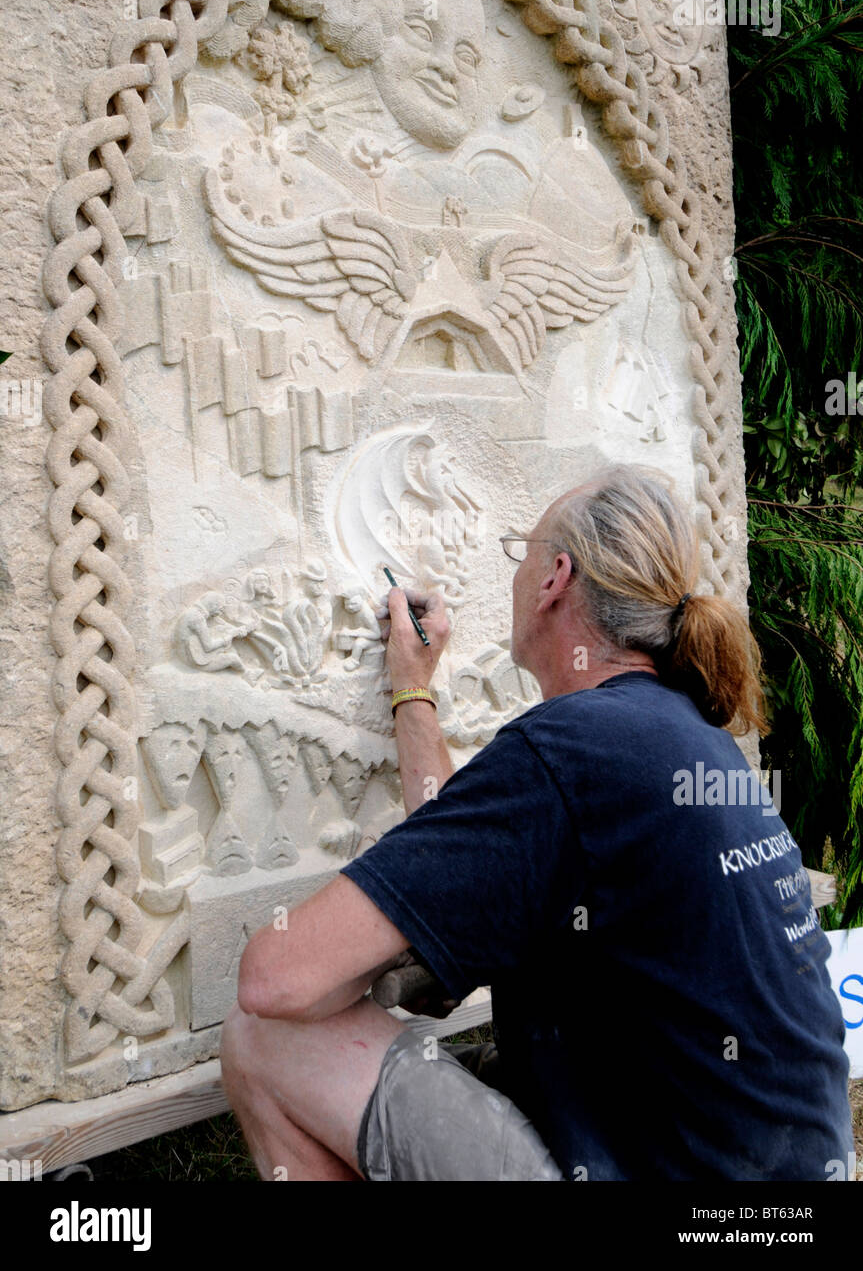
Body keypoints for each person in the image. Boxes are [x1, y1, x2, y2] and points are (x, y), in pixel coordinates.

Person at [220, 463, 854, 1181]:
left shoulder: (570, 749)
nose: (514, 575)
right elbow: (456, 863)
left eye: (518, 552)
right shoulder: (679, 735)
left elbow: (276, 979)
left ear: (554, 577)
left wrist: (350, 969)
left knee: (265, 1033)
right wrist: (412, 692)